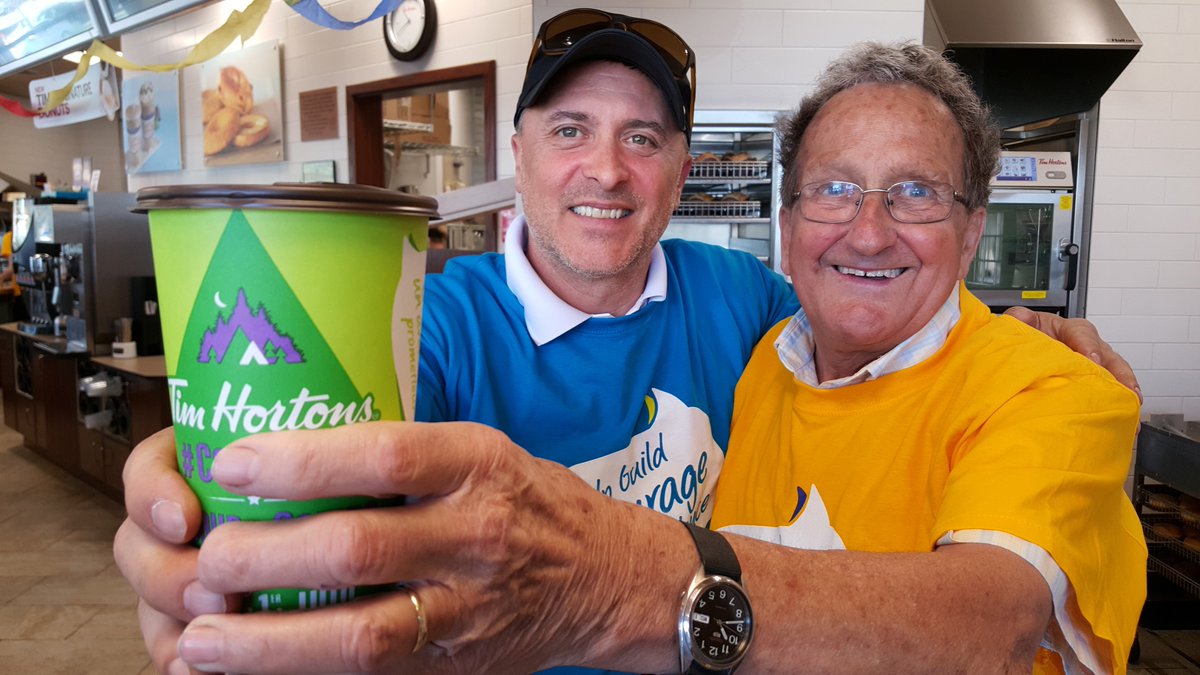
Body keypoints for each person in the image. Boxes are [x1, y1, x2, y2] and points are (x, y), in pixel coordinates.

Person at [113, 13, 1139, 675]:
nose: (605, 169)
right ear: (516, 152)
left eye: (642, 137)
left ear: (682, 166)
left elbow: (882, 325)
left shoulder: (747, 306)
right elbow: (337, 437)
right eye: (569, 130)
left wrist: (1025, 338)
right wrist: (220, 489)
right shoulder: (433, 321)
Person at [709, 42, 1145, 674]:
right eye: (834, 189)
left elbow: (987, 630)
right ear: (789, 223)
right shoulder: (765, 366)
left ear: (970, 234)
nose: (868, 233)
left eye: (915, 193)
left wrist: (633, 584)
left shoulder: (1055, 390)